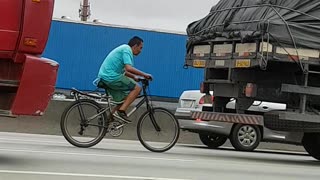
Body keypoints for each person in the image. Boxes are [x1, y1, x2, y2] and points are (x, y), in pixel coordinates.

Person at [95, 36, 152, 122]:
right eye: (140, 48)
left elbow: (124, 71)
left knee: (125, 99)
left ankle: (106, 119)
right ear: (135, 46)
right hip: (111, 77)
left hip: (107, 76)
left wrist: (134, 77)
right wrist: (144, 75)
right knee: (137, 88)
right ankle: (121, 111)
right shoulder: (127, 49)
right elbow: (128, 68)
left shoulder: (124, 49)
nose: (140, 51)